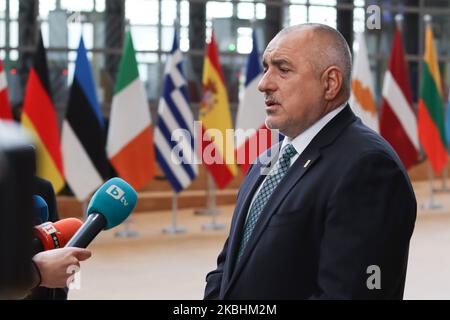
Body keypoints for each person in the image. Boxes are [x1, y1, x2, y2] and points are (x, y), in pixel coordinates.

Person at [204, 23, 416, 300]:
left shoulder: (369, 168)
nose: (264, 83)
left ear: (329, 83)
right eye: (266, 67)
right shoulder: (270, 157)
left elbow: (347, 295)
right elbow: (230, 265)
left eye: (283, 69)